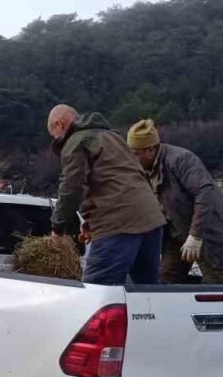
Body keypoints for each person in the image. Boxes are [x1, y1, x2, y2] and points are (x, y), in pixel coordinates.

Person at [47, 104, 166, 285]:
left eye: (53, 135)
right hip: (151, 219)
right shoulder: (114, 137)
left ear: (59, 125)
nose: (55, 140)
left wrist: (57, 229)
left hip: (119, 223)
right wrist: (90, 221)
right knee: (146, 290)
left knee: (95, 289)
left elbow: (71, 187)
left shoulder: (75, 142)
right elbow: (120, 180)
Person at [126, 119, 223, 284]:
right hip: (177, 233)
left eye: (135, 154)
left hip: (211, 230)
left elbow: (205, 193)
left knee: (214, 283)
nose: (131, 159)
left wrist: (195, 236)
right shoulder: (144, 169)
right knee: (165, 280)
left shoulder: (180, 160)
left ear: (150, 149)